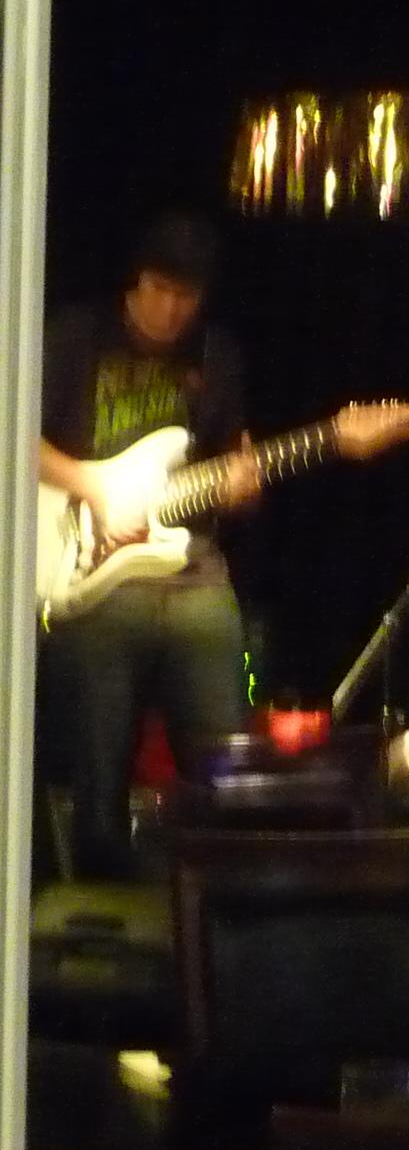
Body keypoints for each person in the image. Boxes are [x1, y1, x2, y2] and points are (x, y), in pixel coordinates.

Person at [37, 212, 260, 880]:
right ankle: (97, 865)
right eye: (160, 290)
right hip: (87, 559)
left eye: (186, 296)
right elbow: (12, 432)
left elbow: (229, 466)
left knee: (226, 729)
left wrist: (242, 488)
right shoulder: (76, 337)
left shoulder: (216, 356)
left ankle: (219, 871)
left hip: (188, 561)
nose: (171, 310)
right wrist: (94, 488)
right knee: (100, 717)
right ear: (135, 282)